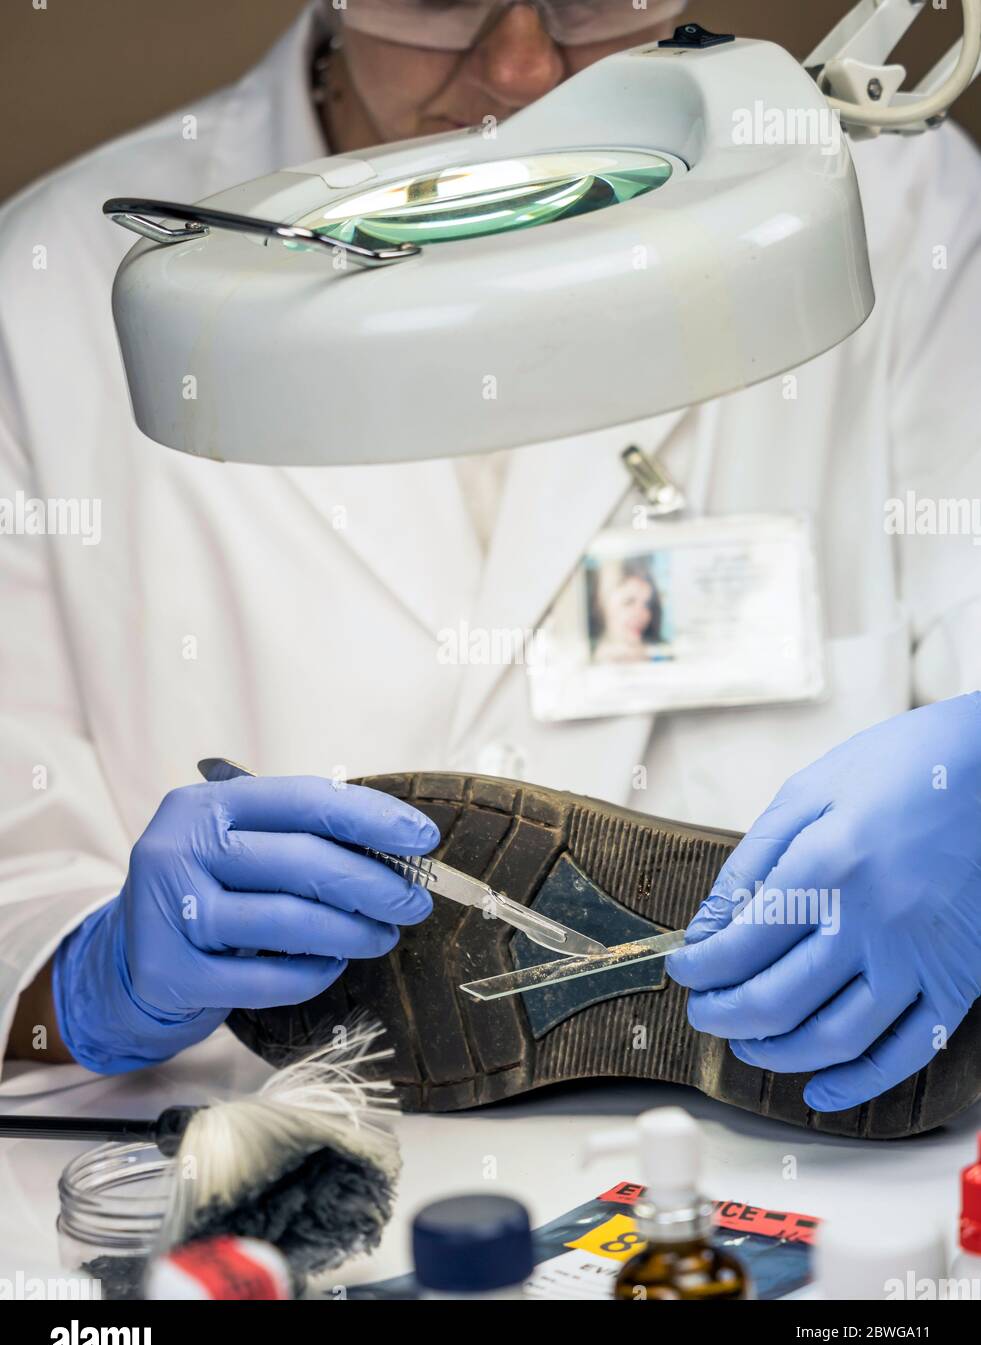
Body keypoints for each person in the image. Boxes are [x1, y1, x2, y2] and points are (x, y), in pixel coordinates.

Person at [0, 1, 978, 1116]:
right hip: (258, 1181)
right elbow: (11, 898)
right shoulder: (55, 291)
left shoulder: (884, 210)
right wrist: (88, 979)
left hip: (798, 1192)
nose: (521, 69)